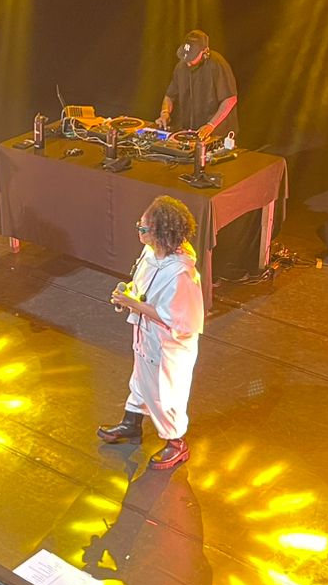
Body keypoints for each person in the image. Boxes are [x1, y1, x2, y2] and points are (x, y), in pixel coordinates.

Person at [98, 195, 204, 471]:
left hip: (169, 345)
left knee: (165, 392)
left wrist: (133, 304)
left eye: (144, 228)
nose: (139, 232)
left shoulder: (180, 274)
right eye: (139, 225)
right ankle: (131, 423)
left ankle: (176, 442)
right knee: (141, 379)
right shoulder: (151, 253)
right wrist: (127, 295)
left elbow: (176, 319)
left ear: (161, 233)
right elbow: (142, 286)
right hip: (147, 334)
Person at [157, 28, 239, 143]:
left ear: (205, 52)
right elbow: (170, 95)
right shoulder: (181, 66)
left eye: (192, 57)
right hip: (191, 133)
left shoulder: (218, 65)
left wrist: (211, 125)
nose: (188, 62)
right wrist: (165, 113)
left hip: (218, 134)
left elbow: (230, 99)